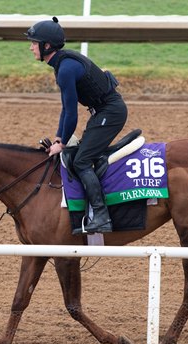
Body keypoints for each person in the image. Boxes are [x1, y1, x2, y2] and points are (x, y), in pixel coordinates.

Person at [26, 17, 128, 235]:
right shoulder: (62, 63)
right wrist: (58, 137)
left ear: (46, 46)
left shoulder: (65, 69)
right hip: (103, 112)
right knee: (81, 152)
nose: (30, 47)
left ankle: (101, 216)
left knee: (81, 161)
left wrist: (61, 144)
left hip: (110, 113)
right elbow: (66, 109)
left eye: (34, 43)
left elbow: (71, 113)